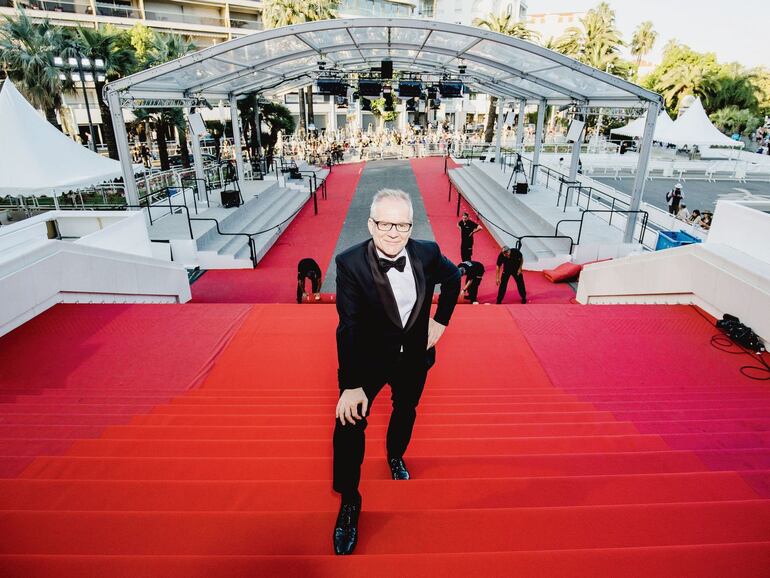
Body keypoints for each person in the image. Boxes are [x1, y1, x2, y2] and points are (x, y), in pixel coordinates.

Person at [332, 189, 461, 555]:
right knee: (347, 424)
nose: (393, 232)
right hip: (369, 360)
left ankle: (395, 455)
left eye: (401, 224)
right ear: (371, 224)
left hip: (414, 358)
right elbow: (349, 326)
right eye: (385, 223)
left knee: (406, 409)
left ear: (410, 225)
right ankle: (349, 502)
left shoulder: (427, 252)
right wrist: (352, 385)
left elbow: (452, 280)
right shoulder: (350, 263)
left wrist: (441, 321)